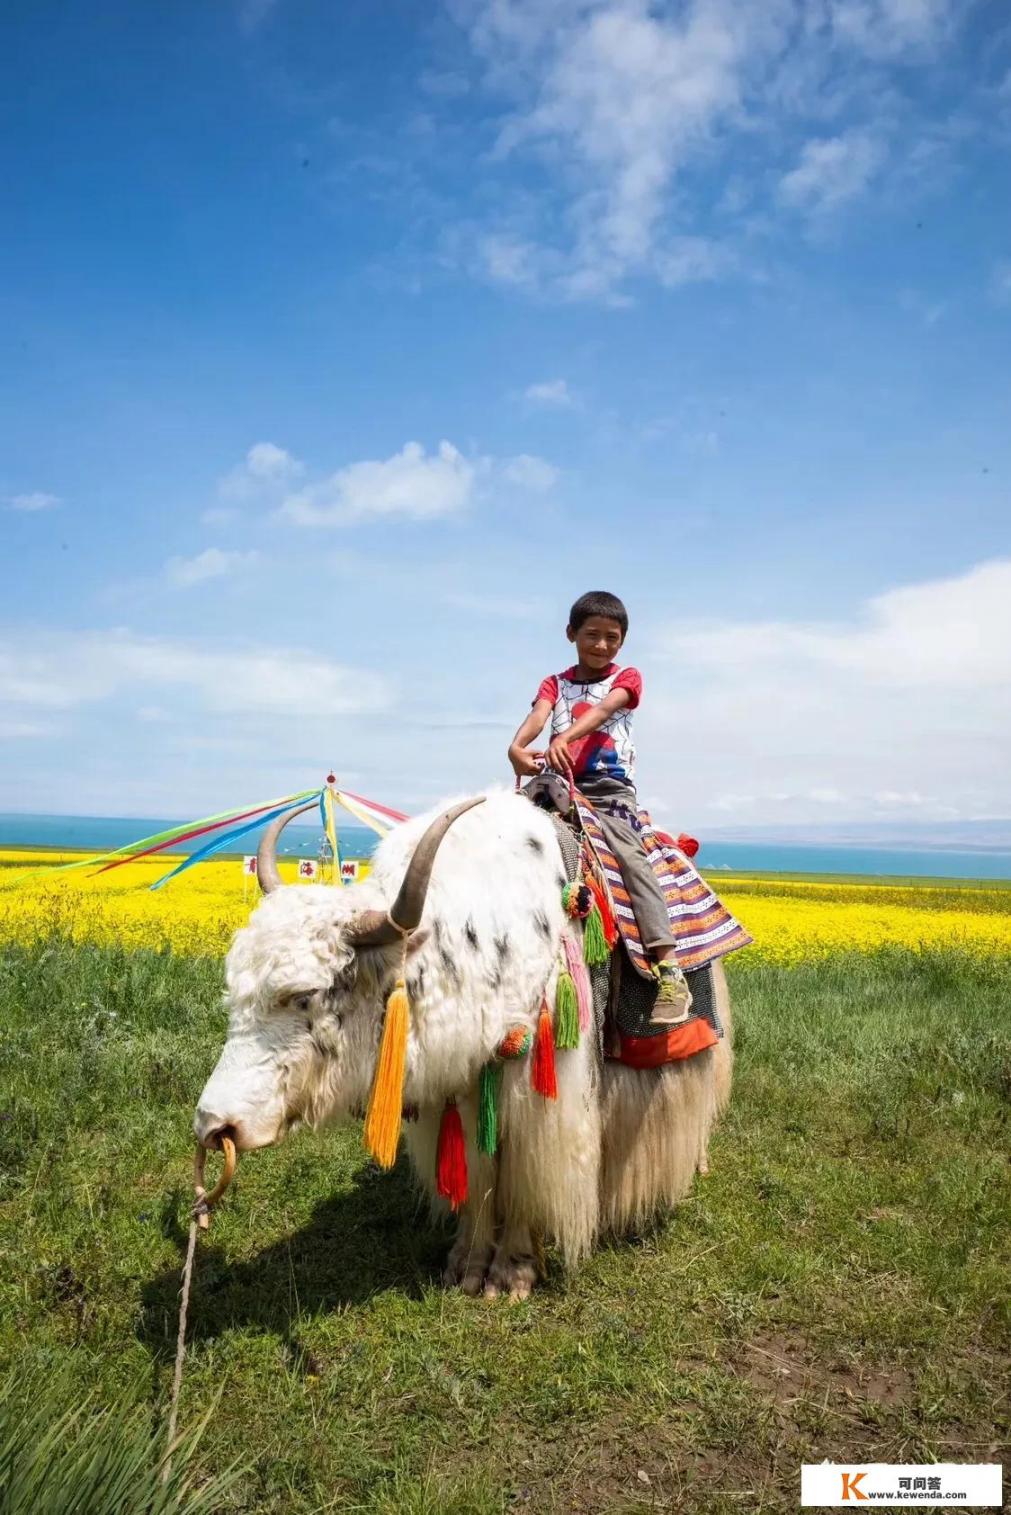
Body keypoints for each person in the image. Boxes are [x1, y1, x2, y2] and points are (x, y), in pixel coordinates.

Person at [507, 589, 692, 1023]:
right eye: (592, 635)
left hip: (609, 792)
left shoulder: (627, 678)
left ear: (622, 642)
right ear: (571, 634)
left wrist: (563, 738)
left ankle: (668, 968)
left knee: (631, 860)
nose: (601, 645)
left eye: (612, 637)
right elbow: (540, 713)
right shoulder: (555, 683)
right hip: (556, 786)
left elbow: (606, 710)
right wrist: (517, 747)